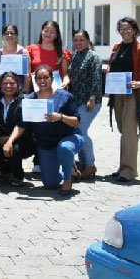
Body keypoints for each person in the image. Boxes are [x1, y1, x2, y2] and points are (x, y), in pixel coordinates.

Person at [107, 17, 140, 183]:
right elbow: (113, 67)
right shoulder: (116, 48)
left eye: (128, 28)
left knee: (129, 132)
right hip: (117, 94)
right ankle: (123, 167)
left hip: (134, 95)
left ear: (135, 30)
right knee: (123, 131)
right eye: (121, 29)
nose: (124, 32)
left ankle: (129, 171)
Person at [20, 65, 83, 195]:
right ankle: (69, 167)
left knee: (65, 148)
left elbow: (77, 121)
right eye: (39, 78)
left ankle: (67, 179)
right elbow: (22, 124)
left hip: (69, 138)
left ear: (52, 78)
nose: (42, 81)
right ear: (35, 80)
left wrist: (60, 117)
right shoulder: (30, 99)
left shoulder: (65, 96)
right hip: (47, 144)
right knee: (50, 184)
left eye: (45, 77)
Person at [0, 72, 34, 187]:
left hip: (23, 139)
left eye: (12, 83)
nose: (8, 86)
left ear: (18, 85)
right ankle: (7, 170)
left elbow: (23, 124)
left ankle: (18, 176)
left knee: (15, 149)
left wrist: (9, 141)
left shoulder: (24, 100)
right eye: (5, 83)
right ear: (0, 85)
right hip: (1, 138)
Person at [68, 29, 103, 180]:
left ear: (88, 41)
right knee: (78, 132)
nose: (78, 43)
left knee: (81, 131)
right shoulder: (75, 56)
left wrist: (92, 97)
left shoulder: (93, 57)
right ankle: (82, 163)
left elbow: (96, 78)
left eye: (81, 40)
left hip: (89, 101)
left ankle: (90, 164)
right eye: (75, 40)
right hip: (76, 101)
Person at [25, 20, 71, 93]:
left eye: (52, 32)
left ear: (56, 35)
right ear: (41, 32)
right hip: (36, 92)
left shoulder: (63, 52)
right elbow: (27, 73)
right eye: (46, 31)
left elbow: (65, 75)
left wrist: (66, 81)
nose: (48, 34)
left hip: (56, 92)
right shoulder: (30, 50)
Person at [0, 24, 31, 88]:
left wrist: (25, 92)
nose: (9, 35)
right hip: (4, 89)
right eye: (6, 33)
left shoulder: (23, 52)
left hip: (20, 89)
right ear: (2, 36)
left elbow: (27, 75)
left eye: (12, 33)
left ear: (16, 36)